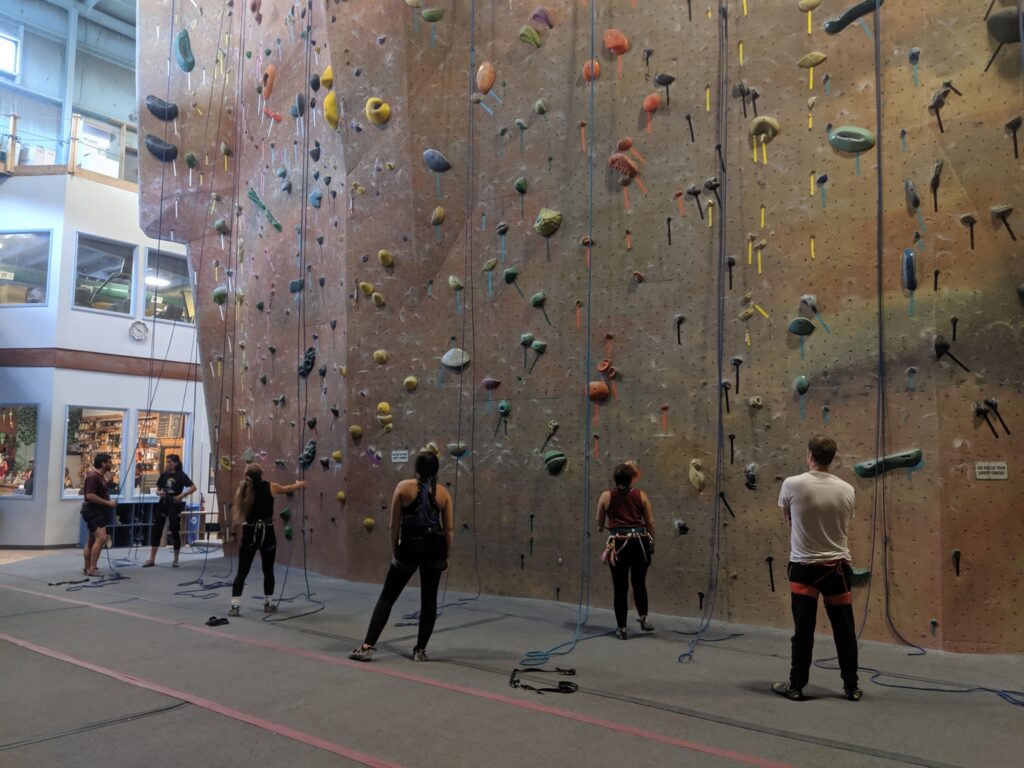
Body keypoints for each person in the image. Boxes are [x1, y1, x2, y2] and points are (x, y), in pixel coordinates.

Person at [772, 435, 862, 702]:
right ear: (832, 458)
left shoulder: (792, 484)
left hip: (804, 568)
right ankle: (851, 687)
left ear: (809, 455)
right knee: (844, 632)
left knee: (803, 631)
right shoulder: (847, 489)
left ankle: (796, 686)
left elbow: (788, 518)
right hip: (837, 570)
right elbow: (844, 521)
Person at [350, 451, 454, 662]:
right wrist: (446, 556)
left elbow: (394, 525)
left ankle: (367, 646)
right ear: (436, 470)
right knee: (429, 600)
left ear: (416, 468)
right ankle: (420, 651)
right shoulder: (443, 493)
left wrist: (395, 550)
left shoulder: (403, 487)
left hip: (410, 546)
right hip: (434, 547)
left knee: (387, 596)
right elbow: (449, 529)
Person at [228, 464, 306, 616]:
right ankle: (268, 604)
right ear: (261, 474)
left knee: (242, 572)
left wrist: (233, 533)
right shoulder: (271, 487)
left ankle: (234, 606)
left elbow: (237, 514)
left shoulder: (242, 489)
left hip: (249, 533)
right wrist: (299, 484)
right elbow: (288, 488)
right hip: (267, 533)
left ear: (247, 475)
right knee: (268, 571)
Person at [596, 461, 656, 639]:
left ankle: (622, 629)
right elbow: (650, 523)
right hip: (639, 544)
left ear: (615, 479)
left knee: (620, 587)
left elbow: (599, 523)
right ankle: (644, 618)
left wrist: (606, 527)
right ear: (631, 480)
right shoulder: (641, 496)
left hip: (619, 545)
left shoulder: (606, 496)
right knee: (639, 583)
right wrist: (651, 543)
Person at [143, 454, 196, 568]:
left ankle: (175, 559)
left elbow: (193, 487)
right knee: (157, 530)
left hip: (174, 504)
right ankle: (152, 558)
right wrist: (159, 493)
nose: (167, 464)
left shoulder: (181, 475)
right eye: (167, 462)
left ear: (176, 463)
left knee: (175, 530)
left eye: (170, 462)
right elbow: (157, 489)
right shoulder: (164, 475)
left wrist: (182, 495)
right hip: (163, 504)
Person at [81, 453, 115, 577]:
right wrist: (108, 503)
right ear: (103, 463)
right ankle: (93, 568)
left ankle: (87, 568)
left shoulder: (100, 477)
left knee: (91, 541)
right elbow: (90, 495)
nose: (111, 464)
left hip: (97, 512)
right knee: (101, 538)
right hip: (93, 512)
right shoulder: (93, 477)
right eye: (109, 462)